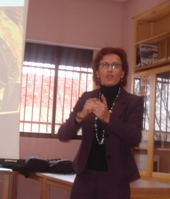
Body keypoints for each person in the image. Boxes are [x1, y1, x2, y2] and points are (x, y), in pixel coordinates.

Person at [58, 47, 144, 199]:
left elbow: (134, 137)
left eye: (115, 65)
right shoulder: (87, 97)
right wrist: (80, 116)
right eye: (104, 65)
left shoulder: (133, 102)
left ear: (122, 73)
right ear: (97, 73)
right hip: (85, 176)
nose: (109, 69)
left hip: (116, 180)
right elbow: (63, 135)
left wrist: (108, 118)